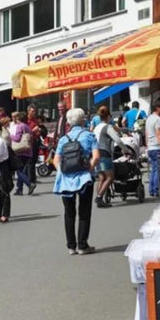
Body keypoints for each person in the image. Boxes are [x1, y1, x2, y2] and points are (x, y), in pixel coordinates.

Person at [53, 108, 100, 255]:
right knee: (84, 211)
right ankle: (82, 245)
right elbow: (96, 156)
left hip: (66, 180)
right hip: (84, 178)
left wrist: (63, 172)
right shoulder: (89, 136)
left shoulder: (63, 139)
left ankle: (71, 246)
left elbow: (56, 160)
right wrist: (89, 169)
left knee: (69, 212)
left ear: (68, 122)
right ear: (82, 119)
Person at [93, 106, 126, 208]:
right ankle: (99, 197)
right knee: (110, 177)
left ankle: (100, 198)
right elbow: (117, 139)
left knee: (101, 177)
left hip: (96, 153)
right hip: (104, 153)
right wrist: (125, 149)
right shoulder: (108, 127)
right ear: (108, 117)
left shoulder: (96, 127)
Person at [11, 111, 36, 196]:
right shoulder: (27, 127)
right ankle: (19, 189)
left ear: (18, 118)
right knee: (22, 171)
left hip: (21, 151)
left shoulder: (20, 127)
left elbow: (17, 139)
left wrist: (10, 136)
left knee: (19, 171)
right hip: (28, 152)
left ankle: (30, 184)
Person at [145, 100, 160, 197]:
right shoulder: (158, 119)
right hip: (157, 146)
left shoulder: (149, 118)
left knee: (154, 169)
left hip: (150, 147)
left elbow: (146, 133)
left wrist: (147, 145)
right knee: (158, 169)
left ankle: (152, 189)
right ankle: (156, 189)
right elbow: (159, 133)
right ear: (158, 108)